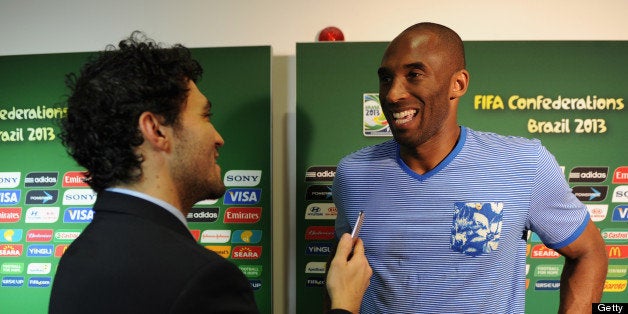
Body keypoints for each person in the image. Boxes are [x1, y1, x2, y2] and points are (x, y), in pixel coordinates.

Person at [49, 32, 371, 314]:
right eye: (205, 116)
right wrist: (343, 304)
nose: (218, 137)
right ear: (156, 130)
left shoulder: (77, 258)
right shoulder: (205, 279)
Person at [332, 22, 608, 313]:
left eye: (414, 75)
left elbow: (589, 252)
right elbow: (339, 273)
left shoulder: (526, 163)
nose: (392, 94)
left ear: (458, 84)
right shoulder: (353, 174)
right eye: (386, 78)